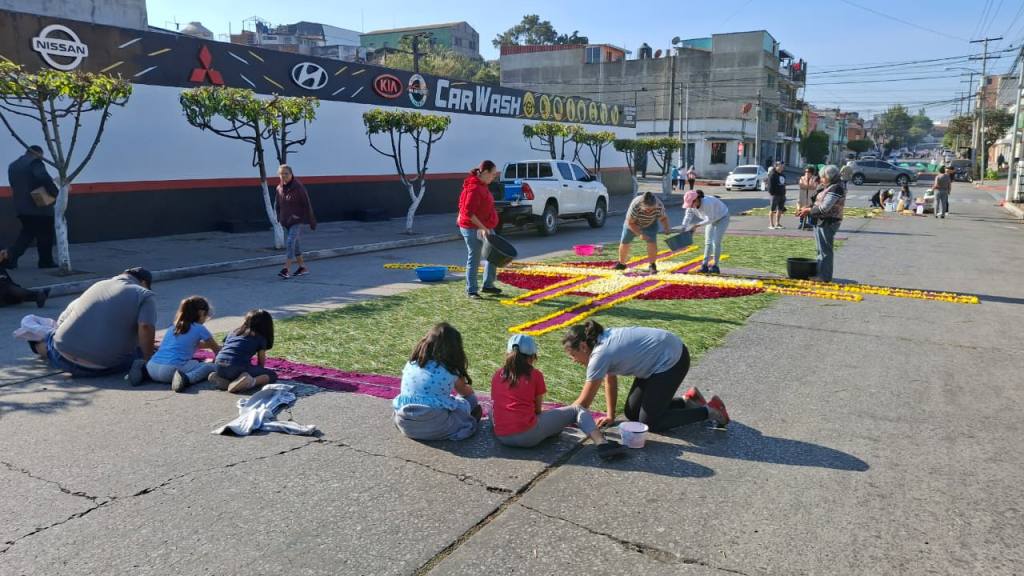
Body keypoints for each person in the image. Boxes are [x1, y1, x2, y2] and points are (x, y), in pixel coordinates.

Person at [562, 320, 729, 433]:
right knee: (632, 413)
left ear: (583, 346)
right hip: (658, 359)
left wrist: (558, 421)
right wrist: (610, 416)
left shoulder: (599, 355)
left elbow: (583, 404)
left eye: (573, 355)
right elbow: (610, 379)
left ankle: (710, 411)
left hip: (673, 360)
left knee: (651, 422)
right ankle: (687, 401)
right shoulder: (599, 342)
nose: (573, 360)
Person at [490, 334, 625, 458]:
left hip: (502, 436)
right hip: (528, 437)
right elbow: (537, 411)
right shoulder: (535, 375)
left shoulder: (497, 375)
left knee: (493, 411)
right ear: (532, 356)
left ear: (508, 354)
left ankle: (547, 432)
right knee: (577, 409)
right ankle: (602, 443)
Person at [29, 268, 156, 379]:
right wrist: (148, 359)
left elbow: (69, 316)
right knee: (141, 352)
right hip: (101, 367)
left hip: (62, 357)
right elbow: (145, 326)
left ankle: (36, 345)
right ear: (144, 283)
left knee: (51, 341)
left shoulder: (98, 285)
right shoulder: (144, 294)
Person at [392, 322, 482, 441]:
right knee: (469, 401)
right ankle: (466, 420)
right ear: (456, 350)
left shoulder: (412, 363)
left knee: (442, 402)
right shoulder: (451, 370)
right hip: (435, 425)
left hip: (405, 424)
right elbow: (466, 392)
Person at [144, 296, 221, 393]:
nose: (206, 318)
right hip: (171, 372)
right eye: (206, 315)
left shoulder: (173, 327)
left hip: (151, 368)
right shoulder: (200, 328)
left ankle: (143, 371)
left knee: (191, 362)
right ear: (201, 313)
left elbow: (193, 344)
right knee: (209, 367)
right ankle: (186, 379)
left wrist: (209, 346)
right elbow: (217, 350)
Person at [6, 145, 58, 269]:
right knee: (45, 234)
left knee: (28, 233)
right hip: (39, 204)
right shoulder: (35, 162)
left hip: (21, 206)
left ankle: (10, 259)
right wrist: (56, 193)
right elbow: (43, 178)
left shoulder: (13, 165)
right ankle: (45, 261)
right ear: (38, 154)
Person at [457, 161, 502, 300]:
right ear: (486, 173)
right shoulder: (474, 188)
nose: (494, 177)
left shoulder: (482, 185)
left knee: (493, 254)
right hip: (471, 227)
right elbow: (468, 213)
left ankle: (488, 285)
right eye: (493, 174)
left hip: (484, 226)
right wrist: (482, 228)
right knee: (475, 257)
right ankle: (471, 290)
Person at [796, 164, 845, 283]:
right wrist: (806, 208)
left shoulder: (836, 188)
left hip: (828, 221)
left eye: (823, 177)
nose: (821, 179)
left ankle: (825, 277)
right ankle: (820, 274)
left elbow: (824, 208)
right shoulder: (828, 186)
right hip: (820, 221)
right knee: (820, 250)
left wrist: (808, 210)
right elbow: (816, 202)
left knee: (825, 251)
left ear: (829, 177)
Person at [208, 309, 277, 394]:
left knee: (233, 371)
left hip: (218, 366)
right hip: (237, 367)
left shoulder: (233, 332)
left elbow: (223, 349)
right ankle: (250, 381)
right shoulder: (260, 338)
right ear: (266, 326)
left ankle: (221, 379)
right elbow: (261, 362)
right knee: (272, 375)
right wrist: (259, 371)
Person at [275, 164, 316, 279]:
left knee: (290, 242)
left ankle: (286, 269)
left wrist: (311, 220)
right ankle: (302, 267)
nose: (284, 176)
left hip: (297, 219)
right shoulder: (279, 188)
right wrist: (279, 217)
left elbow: (307, 203)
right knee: (295, 244)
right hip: (286, 220)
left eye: (286, 173)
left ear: (291, 174)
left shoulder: (298, 187)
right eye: (281, 174)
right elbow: (277, 205)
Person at [615, 191, 671, 274]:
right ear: (641, 205)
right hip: (633, 223)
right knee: (625, 241)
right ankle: (621, 264)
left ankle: (652, 265)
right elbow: (630, 223)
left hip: (651, 223)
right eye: (647, 209)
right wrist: (640, 234)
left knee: (652, 242)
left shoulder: (659, 205)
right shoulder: (636, 205)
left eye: (652, 209)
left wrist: (666, 228)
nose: (649, 211)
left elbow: (663, 218)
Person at [680, 190, 730, 274]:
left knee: (716, 242)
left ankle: (715, 266)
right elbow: (688, 216)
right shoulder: (691, 205)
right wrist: (683, 227)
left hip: (722, 217)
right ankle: (704, 265)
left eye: (691, 204)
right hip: (711, 219)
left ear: (696, 200)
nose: (690, 207)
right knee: (708, 242)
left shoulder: (707, 203)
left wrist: (696, 225)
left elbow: (710, 219)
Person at [767, 161, 787, 229]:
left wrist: (784, 192)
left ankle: (777, 223)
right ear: (776, 166)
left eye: (782, 166)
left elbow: (784, 184)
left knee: (780, 209)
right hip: (775, 195)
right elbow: (769, 186)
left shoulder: (783, 175)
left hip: (782, 194)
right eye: (780, 166)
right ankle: (771, 224)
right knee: (772, 209)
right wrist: (772, 194)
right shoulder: (772, 174)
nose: (782, 167)